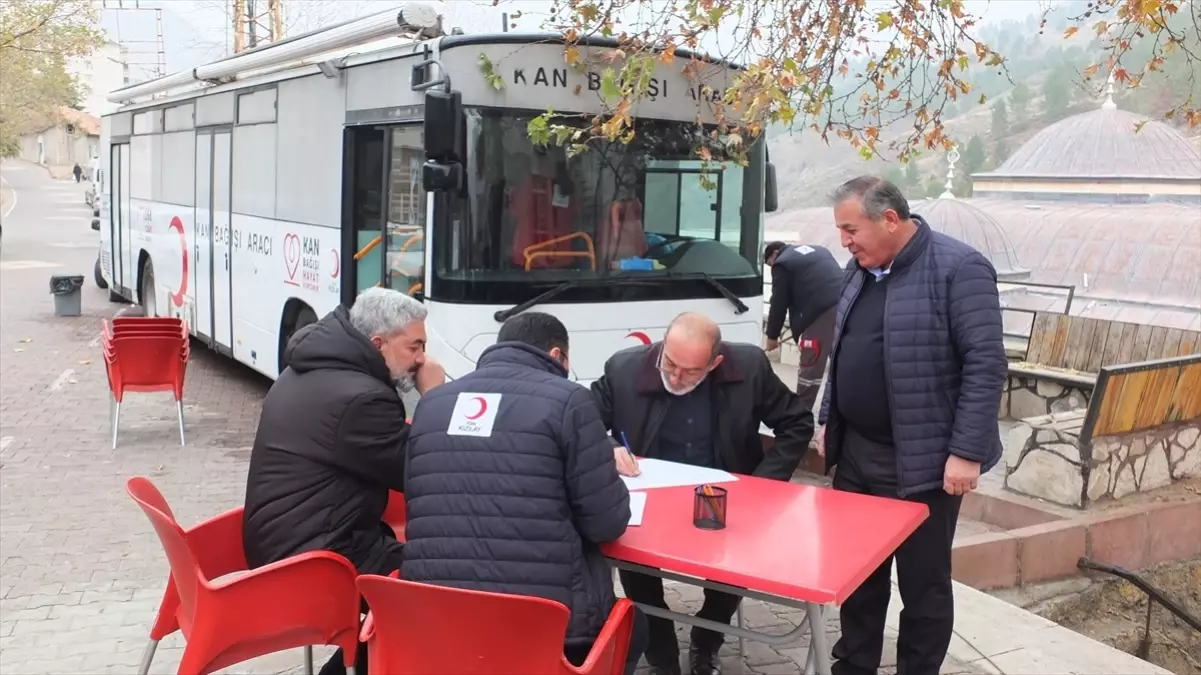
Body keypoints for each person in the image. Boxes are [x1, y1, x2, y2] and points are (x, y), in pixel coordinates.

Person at [815, 176, 1005, 675]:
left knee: (923, 585)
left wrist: (966, 452)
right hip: (857, 455)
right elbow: (844, 353)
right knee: (859, 576)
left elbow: (986, 366)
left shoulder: (959, 269)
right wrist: (826, 421)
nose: (845, 241)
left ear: (890, 219)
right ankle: (854, 667)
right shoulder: (858, 270)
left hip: (923, 461)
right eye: (841, 230)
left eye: (851, 229)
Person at [403, 311, 647, 674]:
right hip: (550, 628)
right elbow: (606, 522)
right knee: (636, 626)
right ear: (557, 355)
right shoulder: (570, 401)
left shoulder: (433, 404)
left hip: (435, 620)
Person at [591, 312, 812, 675]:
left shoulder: (749, 368)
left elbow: (797, 422)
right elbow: (585, 420)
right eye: (670, 364)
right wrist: (608, 443)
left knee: (736, 563)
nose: (676, 378)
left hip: (726, 492)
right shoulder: (624, 369)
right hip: (653, 491)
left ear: (716, 363)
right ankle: (660, 653)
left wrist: (763, 484)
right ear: (661, 346)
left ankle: (707, 637)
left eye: (691, 371)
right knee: (632, 561)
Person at [242, 287, 445, 675]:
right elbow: (427, 470)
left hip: (286, 544)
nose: (421, 360)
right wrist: (435, 399)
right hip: (317, 563)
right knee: (442, 582)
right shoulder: (362, 398)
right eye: (415, 347)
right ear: (377, 343)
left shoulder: (309, 369)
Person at [763, 241, 844, 415]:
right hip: (846, 303)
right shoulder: (819, 249)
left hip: (820, 311)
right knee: (840, 360)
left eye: (770, 263)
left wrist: (772, 337)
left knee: (811, 361)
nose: (772, 268)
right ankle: (838, 410)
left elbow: (778, 302)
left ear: (774, 253)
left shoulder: (783, 263)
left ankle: (800, 413)